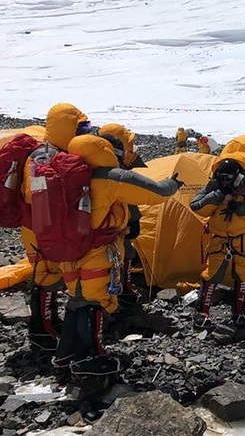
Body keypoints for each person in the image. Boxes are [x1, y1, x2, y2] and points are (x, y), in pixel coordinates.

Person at [52, 134, 182, 400]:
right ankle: (93, 364)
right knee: (95, 303)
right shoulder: (108, 177)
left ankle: (64, 361)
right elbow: (155, 193)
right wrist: (173, 183)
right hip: (97, 252)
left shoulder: (63, 176)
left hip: (69, 252)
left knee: (76, 301)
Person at [21, 103, 91, 353]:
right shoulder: (43, 156)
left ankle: (49, 323)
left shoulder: (57, 153)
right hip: (38, 226)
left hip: (47, 225)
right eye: (81, 127)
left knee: (53, 274)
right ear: (66, 127)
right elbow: (33, 194)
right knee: (45, 276)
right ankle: (41, 330)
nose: (85, 132)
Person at [190, 156, 245, 328]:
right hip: (220, 239)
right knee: (212, 275)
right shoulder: (214, 187)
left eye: (228, 178)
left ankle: (239, 311)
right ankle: (202, 312)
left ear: (238, 176)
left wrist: (238, 208)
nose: (224, 181)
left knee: (243, 276)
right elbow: (196, 206)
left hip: (243, 239)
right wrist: (217, 196)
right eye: (221, 177)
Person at [97, 129, 147, 307]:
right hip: (115, 225)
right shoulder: (117, 171)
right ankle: (121, 292)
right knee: (123, 253)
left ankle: (105, 297)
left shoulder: (90, 166)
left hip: (94, 226)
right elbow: (128, 198)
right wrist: (134, 220)